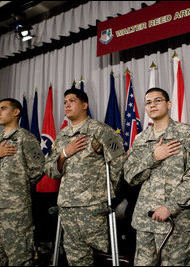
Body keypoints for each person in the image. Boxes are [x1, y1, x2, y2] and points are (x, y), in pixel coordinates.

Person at [124, 87, 190, 266]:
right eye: (148, 102)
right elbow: (130, 176)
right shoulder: (140, 139)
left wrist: (170, 206)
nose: (152, 105)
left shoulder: (185, 133)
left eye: (157, 100)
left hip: (177, 222)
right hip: (145, 222)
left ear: (169, 104)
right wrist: (154, 157)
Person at [44, 88, 124, 265]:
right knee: (76, 258)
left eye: (71, 101)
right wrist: (64, 153)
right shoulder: (63, 135)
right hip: (67, 205)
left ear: (84, 105)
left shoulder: (100, 130)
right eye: (65, 102)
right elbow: (50, 169)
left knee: (100, 255)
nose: (67, 105)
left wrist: (106, 191)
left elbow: (118, 163)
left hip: (93, 206)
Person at [0, 98, 45, 266]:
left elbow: (39, 168)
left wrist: (19, 187)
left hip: (16, 209)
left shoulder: (25, 138)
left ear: (16, 112)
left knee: (19, 258)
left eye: (3, 108)